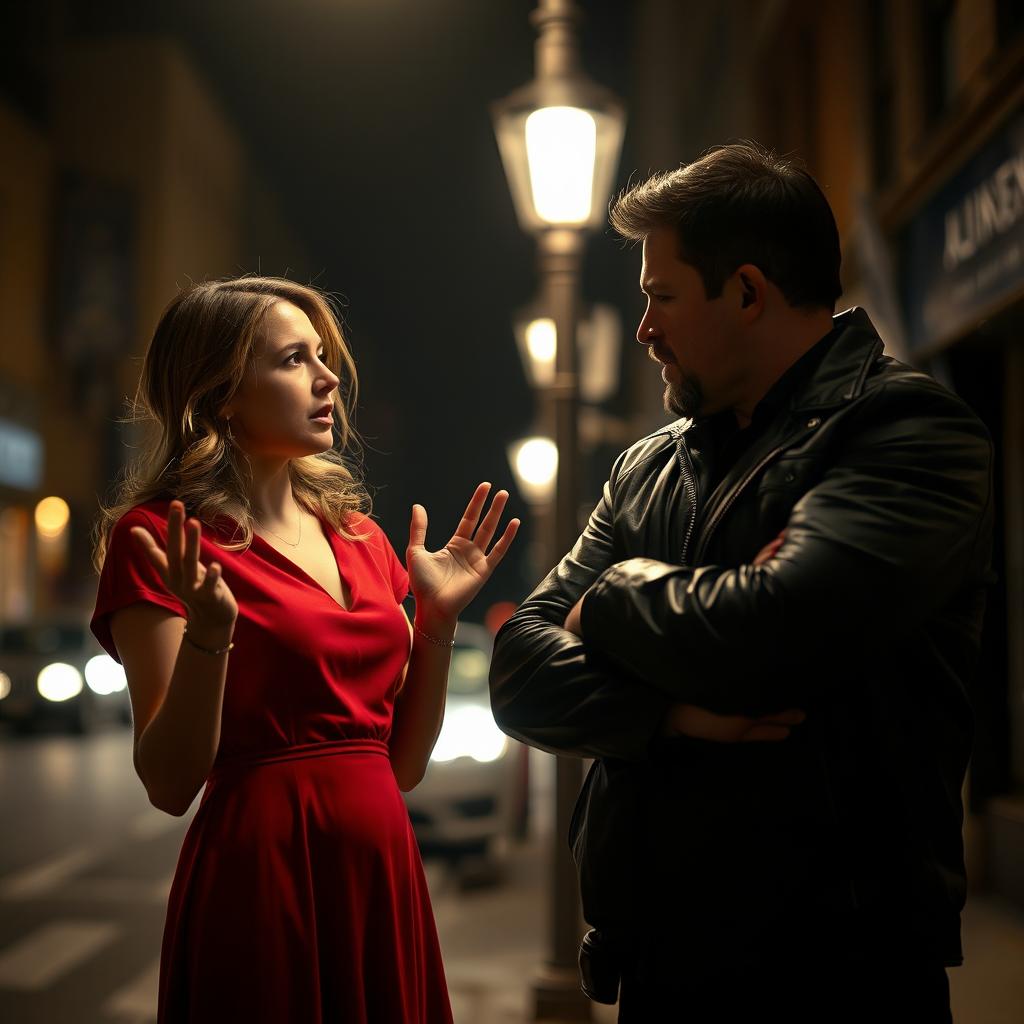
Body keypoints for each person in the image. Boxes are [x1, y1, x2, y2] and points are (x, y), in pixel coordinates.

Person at [488, 142, 993, 1022]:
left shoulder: (905, 427)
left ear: (749, 292)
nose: (645, 327)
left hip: (841, 974)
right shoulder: (649, 465)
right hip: (656, 970)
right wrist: (671, 714)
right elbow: (519, 672)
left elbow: (774, 632)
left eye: (661, 296)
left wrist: (608, 600)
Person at [90, 276, 518, 1024]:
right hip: (261, 879)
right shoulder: (160, 539)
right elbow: (168, 782)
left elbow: (402, 767)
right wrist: (208, 638)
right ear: (221, 393)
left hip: (381, 869)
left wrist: (440, 623)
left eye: (322, 356)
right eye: (294, 360)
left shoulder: (361, 537)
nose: (328, 379)